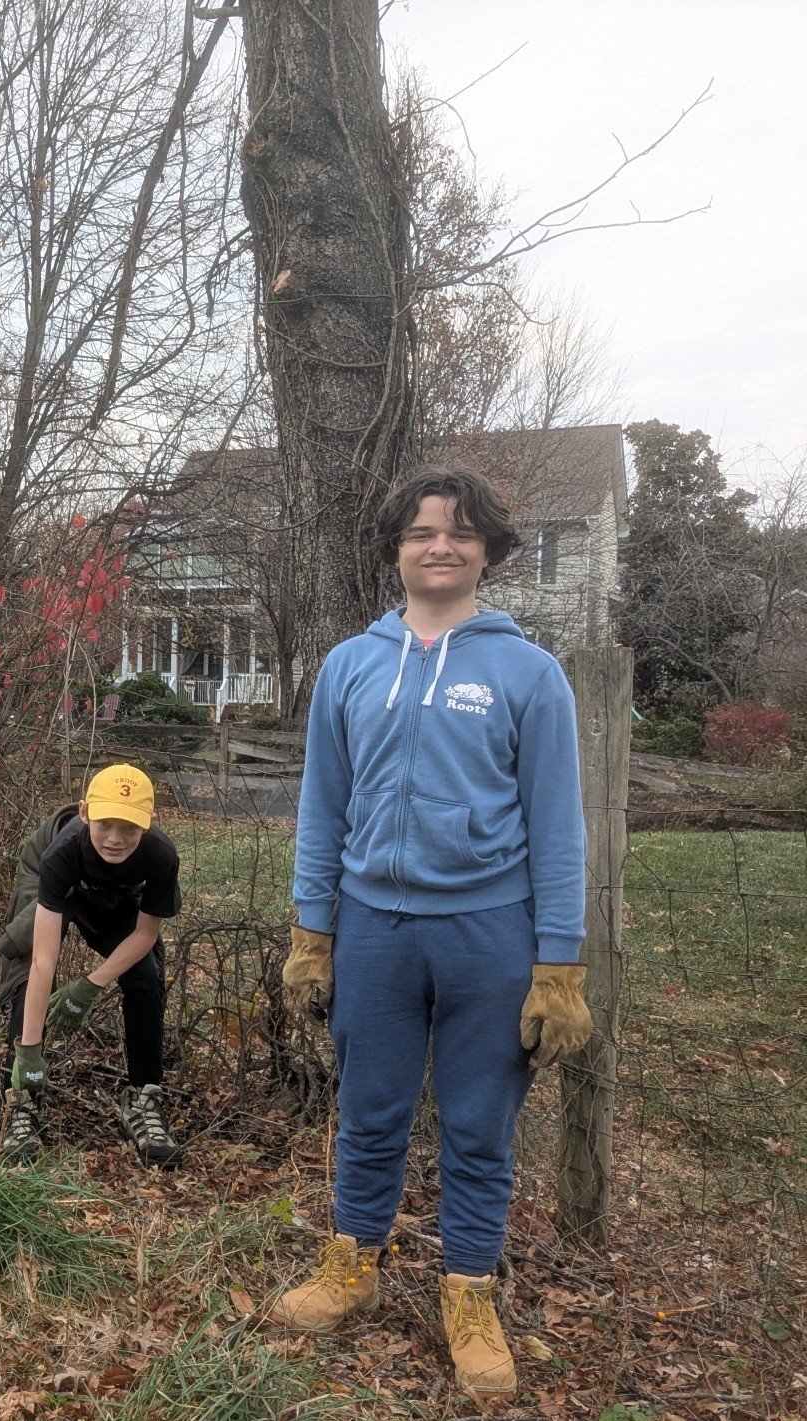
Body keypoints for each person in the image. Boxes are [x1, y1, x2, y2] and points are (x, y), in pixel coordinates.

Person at [258, 470, 591, 1405]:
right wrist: (313, 931)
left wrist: (557, 965)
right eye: (420, 532)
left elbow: (560, 828)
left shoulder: (529, 673)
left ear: (488, 549)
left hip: (489, 932)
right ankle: (352, 1264)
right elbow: (322, 806)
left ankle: (471, 1293)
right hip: (374, 929)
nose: (438, 546)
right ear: (395, 548)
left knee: (480, 1126)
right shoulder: (350, 666)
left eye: (459, 532)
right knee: (368, 1110)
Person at [0, 764, 182, 1168]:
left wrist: (91, 984)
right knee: (28, 964)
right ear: (84, 813)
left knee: (145, 976)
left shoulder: (162, 857)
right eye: (105, 824)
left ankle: (145, 1097)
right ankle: (21, 1095)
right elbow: (45, 960)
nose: (115, 838)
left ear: (150, 823)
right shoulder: (59, 853)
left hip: (116, 894)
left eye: (128, 828)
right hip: (57, 881)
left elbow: (145, 935)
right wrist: (29, 1051)